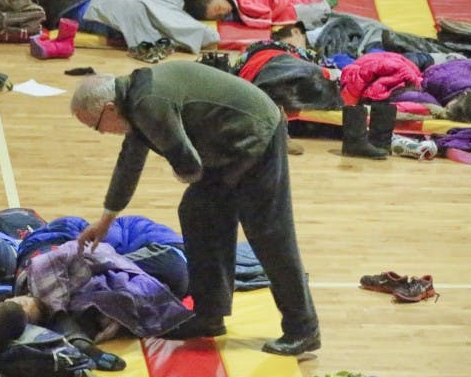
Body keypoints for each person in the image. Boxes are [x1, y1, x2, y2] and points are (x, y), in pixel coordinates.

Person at [69, 61, 320, 355]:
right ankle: (209, 315)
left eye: (95, 125)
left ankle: (303, 327)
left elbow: (187, 163)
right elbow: (129, 164)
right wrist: (105, 220)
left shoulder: (148, 102)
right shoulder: (134, 100)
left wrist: (194, 178)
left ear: (109, 108)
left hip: (255, 134)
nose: (101, 132)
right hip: (226, 142)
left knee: (269, 233)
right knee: (198, 213)